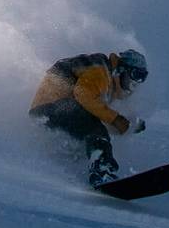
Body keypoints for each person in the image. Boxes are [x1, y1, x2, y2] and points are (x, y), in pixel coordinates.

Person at [29, 49, 149, 186]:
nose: (135, 83)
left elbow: (95, 110)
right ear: (122, 69)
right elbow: (83, 94)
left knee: (88, 136)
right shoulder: (100, 70)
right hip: (53, 106)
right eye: (135, 75)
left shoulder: (107, 81)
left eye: (142, 78)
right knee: (95, 130)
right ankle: (102, 172)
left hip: (52, 110)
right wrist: (116, 120)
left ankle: (77, 169)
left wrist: (128, 125)